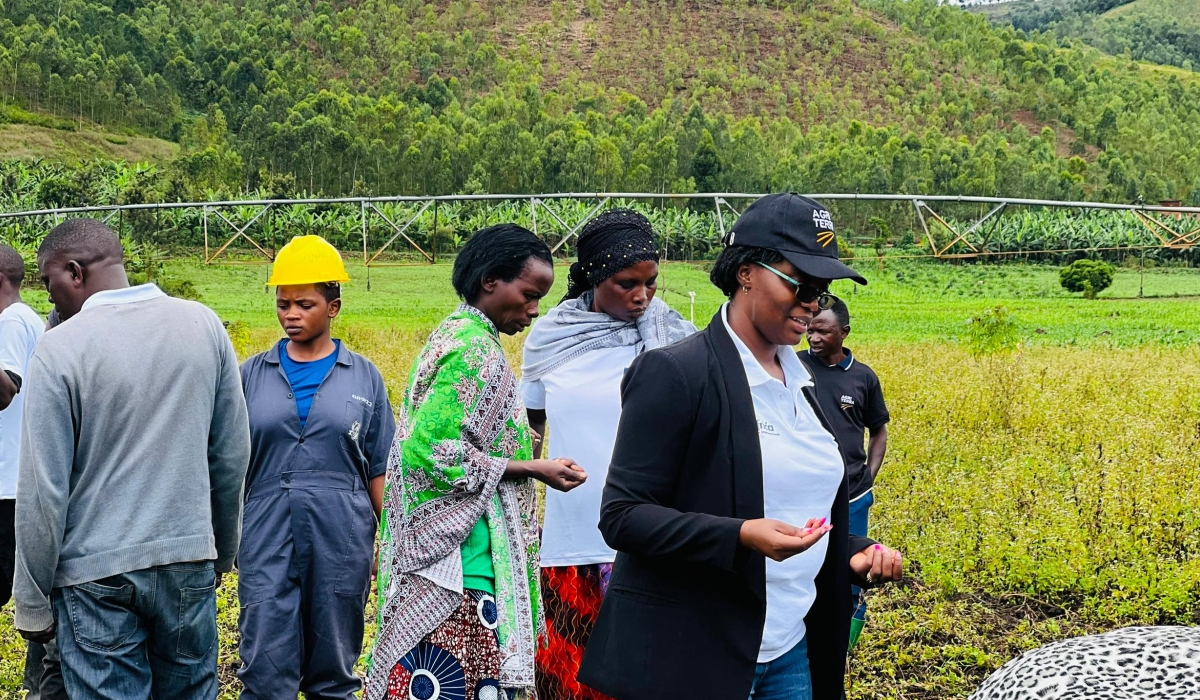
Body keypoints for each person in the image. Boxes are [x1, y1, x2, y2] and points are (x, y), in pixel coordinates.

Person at [578, 194, 904, 700]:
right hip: (697, 652)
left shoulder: (802, 383)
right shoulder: (676, 374)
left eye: (822, 290)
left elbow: (789, 508)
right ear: (747, 272)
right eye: (800, 283)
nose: (812, 303)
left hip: (790, 649)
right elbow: (623, 516)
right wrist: (742, 536)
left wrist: (855, 552)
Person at [13, 218, 251, 699]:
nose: (49, 297)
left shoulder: (59, 349)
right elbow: (230, 455)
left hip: (93, 577)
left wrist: (32, 601)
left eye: (49, 281)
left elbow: (43, 490)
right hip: (187, 559)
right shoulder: (202, 324)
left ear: (74, 273)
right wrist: (220, 550)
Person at [366, 224, 587, 700]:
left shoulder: (459, 334)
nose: (533, 310)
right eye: (528, 294)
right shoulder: (473, 350)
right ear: (491, 281)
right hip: (463, 568)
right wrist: (533, 467)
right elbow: (432, 450)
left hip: (465, 559)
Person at [519, 209, 695, 700]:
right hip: (573, 539)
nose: (641, 296)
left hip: (654, 539)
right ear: (595, 277)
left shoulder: (676, 340)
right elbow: (530, 426)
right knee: (569, 684)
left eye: (651, 284)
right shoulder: (550, 338)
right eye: (626, 283)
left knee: (650, 682)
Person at [237, 235, 396, 699]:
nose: (290, 314)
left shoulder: (364, 375)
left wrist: (390, 539)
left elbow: (380, 466)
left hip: (342, 533)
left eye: (304, 304)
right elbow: (226, 461)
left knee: (334, 670)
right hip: (265, 530)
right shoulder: (250, 374)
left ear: (334, 308)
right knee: (265, 665)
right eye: (283, 303)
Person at [800, 299, 890, 647]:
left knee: (851, 566)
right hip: (807, 490)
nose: (814, 336)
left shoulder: (863, 377)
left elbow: (878, 429)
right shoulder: (793, 367)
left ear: (844, 333)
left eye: (823, 330)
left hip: (852, 493)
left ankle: (841, 641)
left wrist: (869, 473)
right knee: (805, 561)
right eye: (811, 328)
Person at [0, 245, 63, 700]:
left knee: (34, 604)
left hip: (7, 489)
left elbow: (5, 390)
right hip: (18, 485)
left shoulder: (10, 322)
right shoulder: (25, 321)